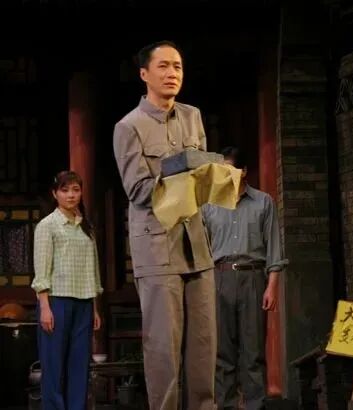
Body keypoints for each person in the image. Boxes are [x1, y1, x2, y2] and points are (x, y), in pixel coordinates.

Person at [113, 40, 216, 410]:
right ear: (144, 74)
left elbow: (202, 175)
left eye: (178, 66)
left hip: (197, 246)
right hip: (157, 248)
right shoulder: (129, 127)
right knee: (163, 349)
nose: (173, 73)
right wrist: (180, 173)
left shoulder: (193, 116)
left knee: (204, 346)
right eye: (164, 66)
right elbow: (139, 191)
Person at [202, 146, 287, 410]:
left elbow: (274, 248)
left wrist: (272, 287)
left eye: (231, 170)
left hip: (253, 279)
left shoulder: (263, 202)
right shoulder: (209, 206)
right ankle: (226, 405)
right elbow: (202, 251)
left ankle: (255, 405)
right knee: (222, 353)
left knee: (253, 351)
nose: (226, 176)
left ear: (245, 171)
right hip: (219, 279)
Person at [31, 170, 103, 410]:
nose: (71, 195)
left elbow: (92, 269)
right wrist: (44, 307)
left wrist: (94, 307)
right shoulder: (47, 226)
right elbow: (42, 270)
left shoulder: (86, 226)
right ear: (55, 194)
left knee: (79, 366)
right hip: (56, 302)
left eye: (75, 190)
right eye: (65, 190)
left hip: (84, 302)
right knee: (53, 365)